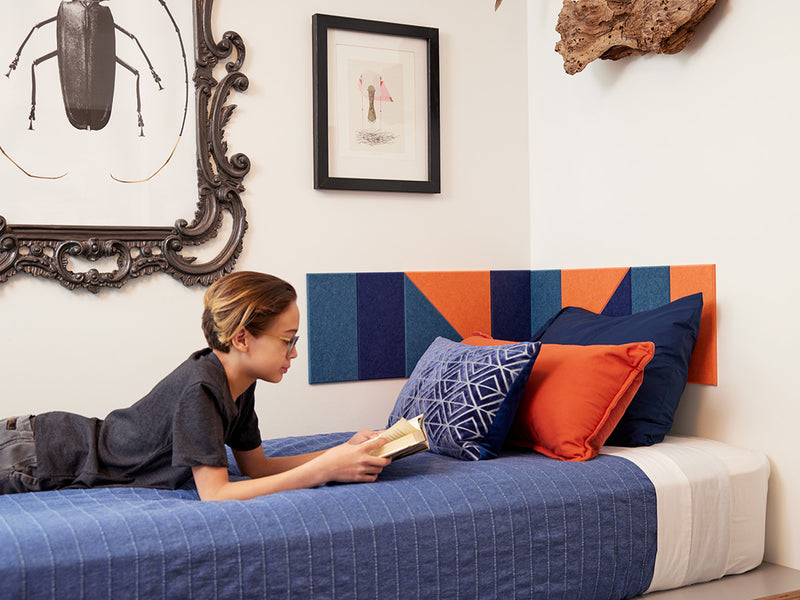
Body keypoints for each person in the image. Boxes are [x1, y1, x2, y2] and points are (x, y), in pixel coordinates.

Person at [0, 271, 391, 500]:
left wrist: (342, 451)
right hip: (39, 454)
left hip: (39, 446)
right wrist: (323, 470)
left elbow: (257, 467)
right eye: (287, 339)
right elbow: (217, 495)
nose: (293, 352)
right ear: (242, 339)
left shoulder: (240, 383)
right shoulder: (202, 387)